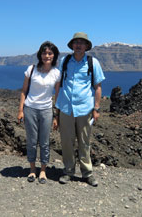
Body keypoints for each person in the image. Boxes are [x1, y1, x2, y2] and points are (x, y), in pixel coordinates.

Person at [55, 32, 105, 187]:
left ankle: (87, 173)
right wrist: (56, 107)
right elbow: (59, 84)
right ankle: (68, 171)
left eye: (81, 43)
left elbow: (97, 87)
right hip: (66, 108)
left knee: (84, 142)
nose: (78, 45)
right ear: (72, 45)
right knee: (67, 142)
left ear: (86, 46)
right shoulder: (65, 61)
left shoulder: (92, 62)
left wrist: (96, 109)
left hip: (84, 109)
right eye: (76, 42)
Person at [17, 41, 61, 184]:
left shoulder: (56, 73)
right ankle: (32, 169)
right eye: (44, 53)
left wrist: (56, 115)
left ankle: (43, 170)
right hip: (30, 108)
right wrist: (20, 110)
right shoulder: (31, 69)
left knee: (44, 142)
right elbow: (24, 91)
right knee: (31, 141)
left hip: (47, 110)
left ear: (54, 56)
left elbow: (57, 96)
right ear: (40, 54)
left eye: (49, 53)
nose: (46, 56)